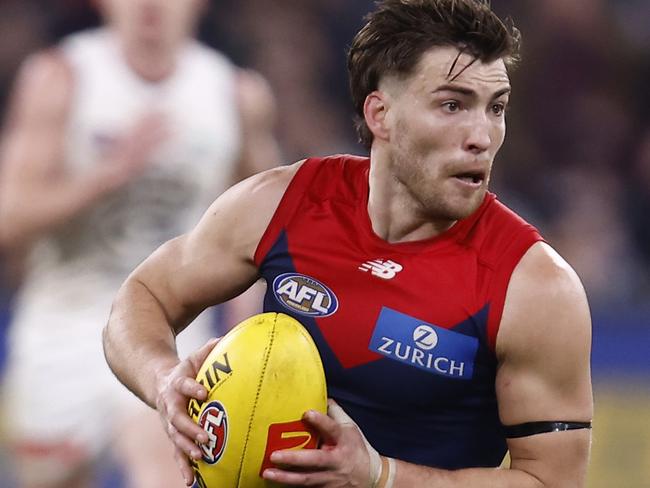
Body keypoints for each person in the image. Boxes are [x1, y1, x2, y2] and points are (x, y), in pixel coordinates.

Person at [102, 0, 594, 486]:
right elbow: (141, 297)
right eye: (452, 105)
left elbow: (552, 482)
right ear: (380, 114)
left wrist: (381, 475)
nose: (481, 136)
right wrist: (164, 381)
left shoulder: (533, 287)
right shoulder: (286, 203)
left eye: (497, 108)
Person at [0, 0, 280, 486]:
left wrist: (249, 336)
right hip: (62, 328)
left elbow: (261, 235)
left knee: (160, 465)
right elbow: (8, 219)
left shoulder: (235, 93)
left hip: (168, 328)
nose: (150, 7)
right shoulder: (62, 77)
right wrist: (106, 176)